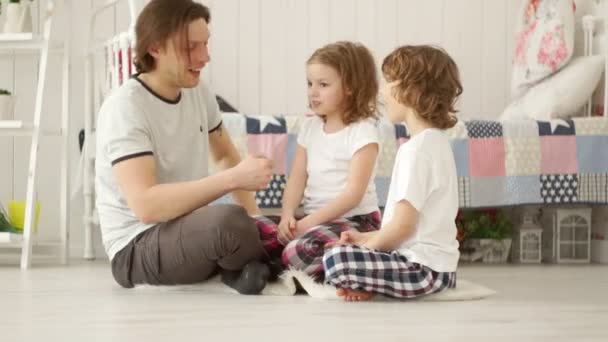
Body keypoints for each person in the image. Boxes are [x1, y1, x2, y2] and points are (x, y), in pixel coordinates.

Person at [96, 0, 273, 295]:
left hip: (187, 232)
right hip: (135, 247)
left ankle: (246, 264)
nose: (205, 57)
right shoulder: (125, 107)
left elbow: (226, 156)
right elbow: (147, 206)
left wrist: (257, 220)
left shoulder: (198, 91)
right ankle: (251, 263)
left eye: (206, 44)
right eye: (192, 47)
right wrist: (235, 180)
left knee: (266, 223)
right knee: (229, 224)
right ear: (154, 47)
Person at [323, 45, 463, 301]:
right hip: (439, 268)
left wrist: (367, 247)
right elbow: (414, 228)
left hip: (423, 270)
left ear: (411, 90)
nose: (382, 91)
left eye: (388, 82)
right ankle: (369, 284)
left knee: (335, 259)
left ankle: (369, 282)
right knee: (346, 248)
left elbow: (402, 227)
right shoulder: (438, 143)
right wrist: (364, 238)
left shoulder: (416, 150)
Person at [254, 41, 382, 279]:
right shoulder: (310, 127)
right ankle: (274, 267)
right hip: (313, 222)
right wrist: (287, 217)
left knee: (299, 251)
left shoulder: (362, 132)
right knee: (249, 229)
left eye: (323, 85)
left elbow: (352, 195)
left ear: (350, 87)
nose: (313, 92)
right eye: (310, 83)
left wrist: (305, 225)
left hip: (355, 222)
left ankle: (276, 267)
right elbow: (296, 179)